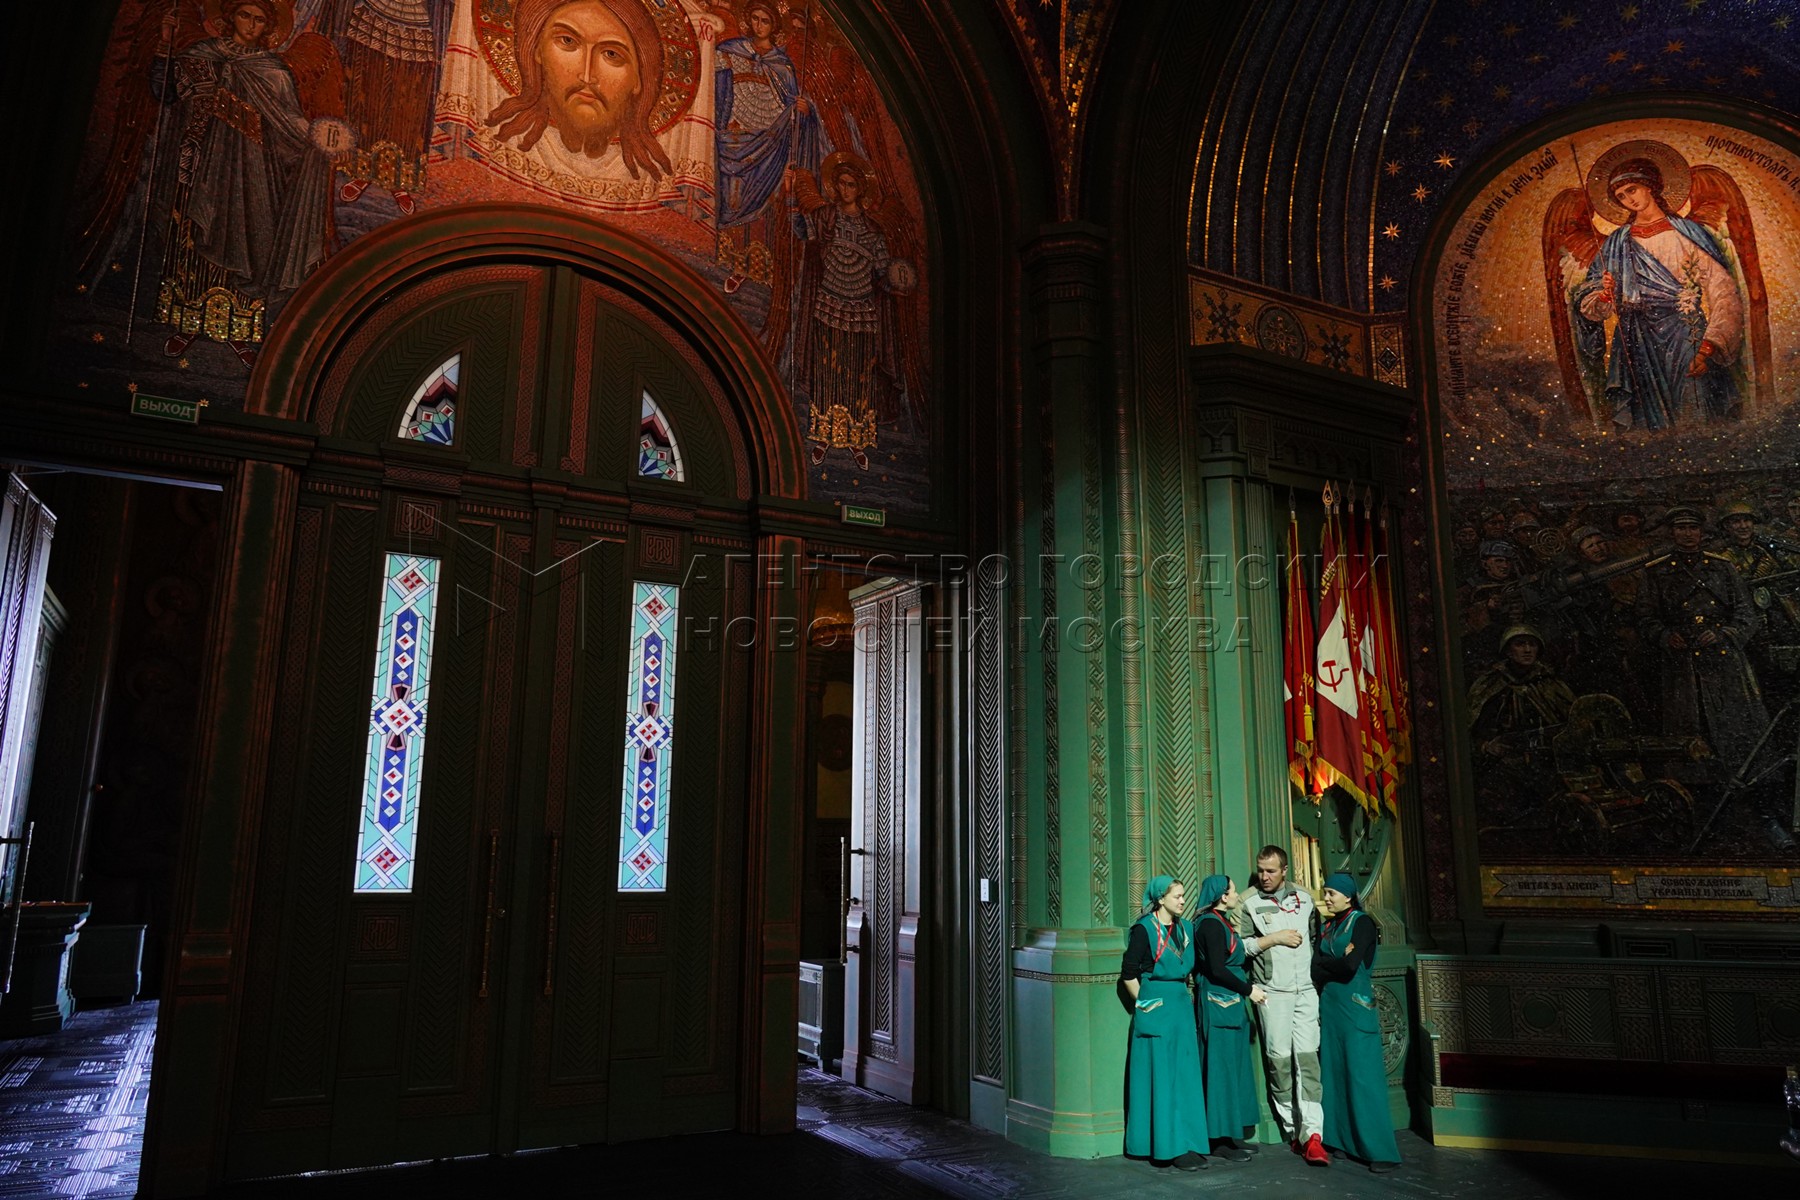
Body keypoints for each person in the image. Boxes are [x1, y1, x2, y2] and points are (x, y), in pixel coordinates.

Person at [149, 0, 351, 364]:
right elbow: (165, 93)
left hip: (251, 174)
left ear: (268, 27)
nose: (251, 25)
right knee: (195, 237)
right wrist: (164, 44)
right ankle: (186, 324)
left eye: (259, 20)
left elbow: (290, 123)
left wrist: (319, 137)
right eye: (245, 15)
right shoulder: (202, 53)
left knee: (247, 239)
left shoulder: (273, 70)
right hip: (202, 164)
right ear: (230, 17)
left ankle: (238, 331)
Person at [1576, 157, 1746, 429]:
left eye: (1631, 190)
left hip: (1683, 333)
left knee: (1695, 408)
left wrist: (1708, 347)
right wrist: (1605, 294)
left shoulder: (1687, 233)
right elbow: (1590, 301)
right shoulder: (1617, 243)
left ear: (1649, 186)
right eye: (1621, 197)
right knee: (1647, 425)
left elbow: (1722, 289)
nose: (1628, 200)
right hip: (1635, 340)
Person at [1634, 505, 1767, 775]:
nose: (1687, 534)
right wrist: (1665, 635)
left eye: (1693, 528)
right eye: (1681, 528)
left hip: (1724, 657)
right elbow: (1644, 617)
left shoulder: (1722, 567)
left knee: (1735, 722)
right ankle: (1695, 777)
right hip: (1681, 661)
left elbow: (1746, 614)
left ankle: (1743, 773)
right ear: (1672, 533)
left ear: (1701, 532)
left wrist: (1723, 634)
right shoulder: (1655, 572)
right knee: (1688, 722)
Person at [1237, 846, 1327, 1166]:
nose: (1264, 876)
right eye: (1261, 870)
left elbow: (1316, 939)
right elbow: (1237, 947)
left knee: (1309, 1062)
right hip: (1272, 993)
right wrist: (1274, 938)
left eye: (1271, 871)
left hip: (1306, 991)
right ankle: (1293, 1130)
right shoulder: (1248, 901)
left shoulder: (1304, 898)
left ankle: (1312, 1134)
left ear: (1284, 870)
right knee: (1279, 1063)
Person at [1120, 876, 1210, 1171]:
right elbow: (1129, 973)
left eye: (1184, 896)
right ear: (1160, 899)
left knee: (1184, 1076)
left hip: (1181, 1007)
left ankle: (1187, 1141)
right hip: (1156, 1006)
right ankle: (1166, 1146)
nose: (1183, 901)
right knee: (1162, 1077)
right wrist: (1145, 1005)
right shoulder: (1144, 929)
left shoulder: (1186, 928)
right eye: (1177, 896)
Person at [1312, 872, 1399, 1174]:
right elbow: (1315, 968)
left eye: (1331, 894)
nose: (1325, 898)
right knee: (1335, 1074)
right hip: (1332, 1009)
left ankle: (1380, 1150)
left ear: (1348, 897)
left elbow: (1350, 966)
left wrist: (1327, 965)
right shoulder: (1328, 926)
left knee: (1363, 1078)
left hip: (1355, 1008)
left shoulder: (1361, 923)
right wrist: (1330, 965)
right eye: (1325, 892)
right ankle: (1341, 1140)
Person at [1192, 874, 1265, 1162]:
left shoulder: (1219, 921)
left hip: (1229, 1002)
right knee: (1220, 1072)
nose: (1236, 895)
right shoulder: (1210, 924)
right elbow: (1217, 969)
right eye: (1233, 891)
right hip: (1219, 1002)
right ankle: (1219, 1139)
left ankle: (1231, 1135)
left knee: (1232, 1069)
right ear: (1223, 896)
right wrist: (1249, 990)